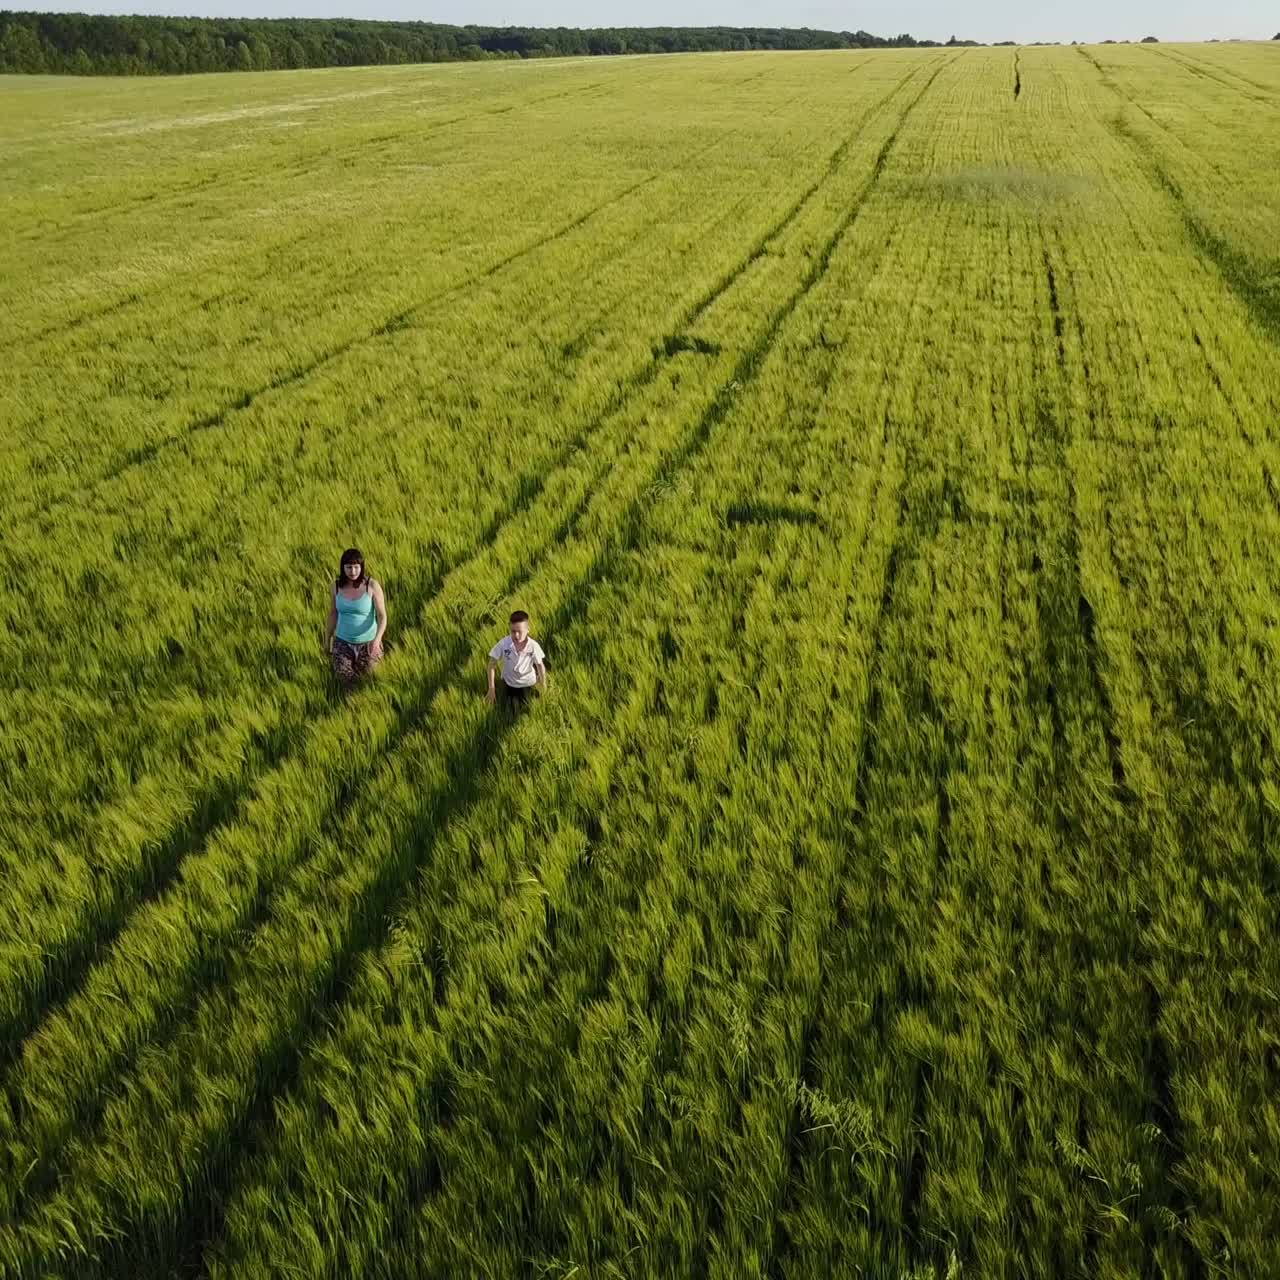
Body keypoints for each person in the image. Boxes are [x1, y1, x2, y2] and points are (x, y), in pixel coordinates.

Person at [325, 548, 386, 684]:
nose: (352, 571)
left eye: (356, 567)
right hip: (342, 643)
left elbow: (382, 616)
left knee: (370, 682)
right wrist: (327, 639)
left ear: (361, 567)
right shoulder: (335, 587)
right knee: (345, 681)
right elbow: (333, 613)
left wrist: (377, 641)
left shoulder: (372, 586)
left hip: (369, 643)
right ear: (343, 568)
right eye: (349, 567)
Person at [486, 610, 546, 716]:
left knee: (529, 709)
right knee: (512, 711)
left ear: (527, 630)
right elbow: (491, 665)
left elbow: (540, 665)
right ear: (509, 627)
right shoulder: (504, 644)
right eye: (513, 631)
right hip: (510, 683)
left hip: (528, 682)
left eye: (520, 632)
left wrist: (543, 683)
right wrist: (491, 689)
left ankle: (534, 675)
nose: (516, 636)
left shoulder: (533, 646)